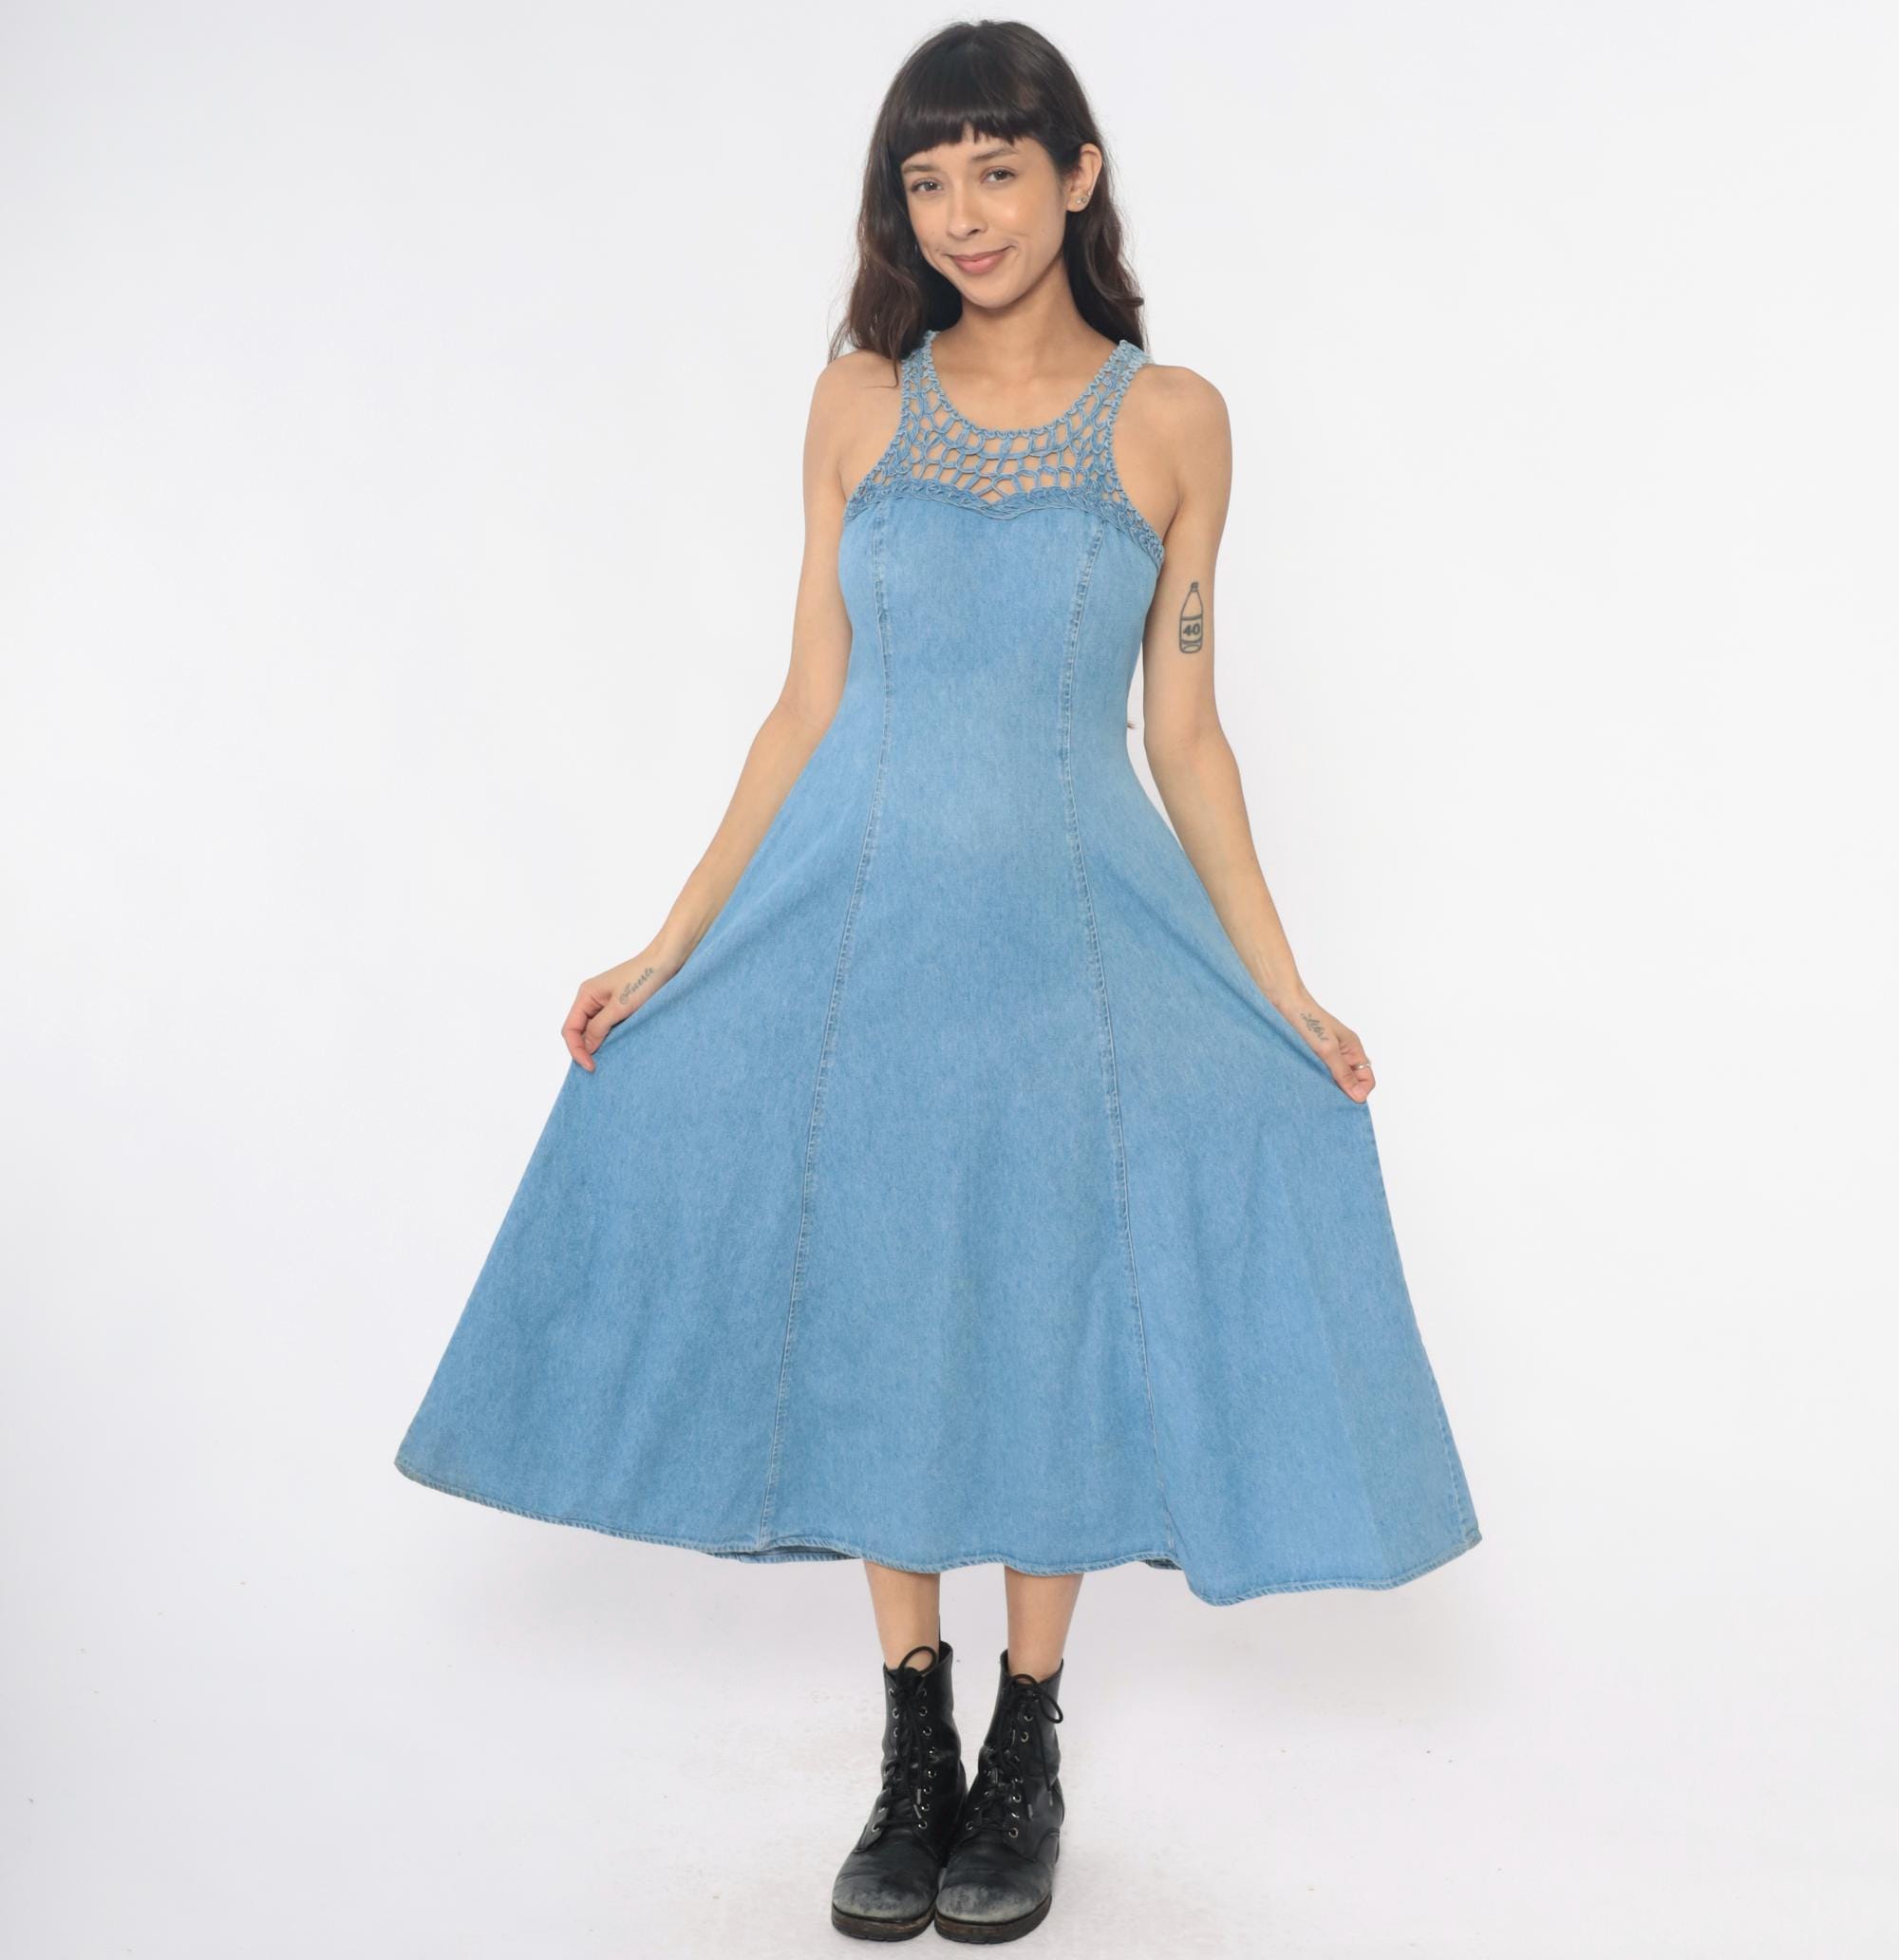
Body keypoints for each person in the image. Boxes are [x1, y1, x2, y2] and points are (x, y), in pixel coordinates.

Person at [394, 18, 1480, 1947]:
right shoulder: (853, 404)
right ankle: (913, 1748)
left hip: (1073, 950)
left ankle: (1026, 1747)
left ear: (1077, 176)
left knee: (1046, 1307)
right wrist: (669, 942)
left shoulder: (1177, 419)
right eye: (926, 177)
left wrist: (1286, 991)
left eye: (997, 167)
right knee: (888, 1304)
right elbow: (805, 702)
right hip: (861, 937)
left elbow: (1187, 734)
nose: (963, 212)